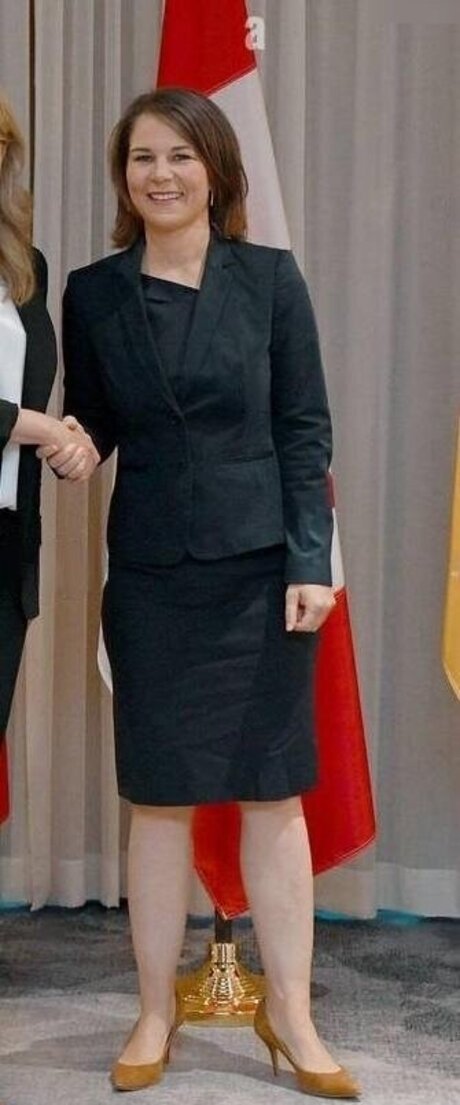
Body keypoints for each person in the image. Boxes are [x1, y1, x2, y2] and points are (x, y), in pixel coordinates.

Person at [43, 88, 360, 1098]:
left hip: (263, 574)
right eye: (143, 157)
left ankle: (291, 1013)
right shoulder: (92, 293)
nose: (161, 174)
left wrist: (310, 559)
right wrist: (76, 444)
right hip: (150, 580)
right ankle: (153, 1008)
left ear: (216, 172)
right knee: (160, 797)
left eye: (180, 156)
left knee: (272, 793)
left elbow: (304, 427)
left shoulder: (268, 280)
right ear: (123, 177)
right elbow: (97, 416)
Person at [0, 92, 98, 823]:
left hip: (6, 542)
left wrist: (66, 434)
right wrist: (28, 425)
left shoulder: (23, 263)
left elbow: (34, 386)